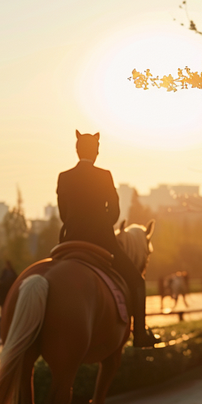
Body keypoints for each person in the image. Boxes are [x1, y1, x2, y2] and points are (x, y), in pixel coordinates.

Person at [56, 129, 160, 348]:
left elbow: (63, 214)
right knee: (137, 281)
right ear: (96, 151)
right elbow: (114, 212)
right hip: (102, 240)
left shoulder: (64, 176)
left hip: (69, 240)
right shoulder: (104, 175)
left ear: (77, 150)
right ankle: (140, 335)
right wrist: (102, 224)